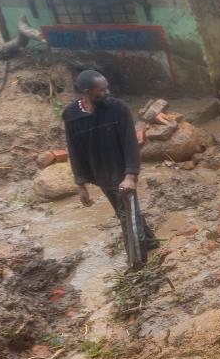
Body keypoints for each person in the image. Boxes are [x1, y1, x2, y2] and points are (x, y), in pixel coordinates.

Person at [63, 70, 157, 252]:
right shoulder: (72, 115)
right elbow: (74, 150)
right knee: (126, 212)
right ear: (87, 91)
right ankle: (151, 242)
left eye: (107, 88)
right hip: (100, 174)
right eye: (101, 90)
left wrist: (130, 176)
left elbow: (130, 143)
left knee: (127, 215)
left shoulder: (117, 109)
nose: (107, 92)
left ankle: (137, 260)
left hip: (121, 171)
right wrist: (81, 184)